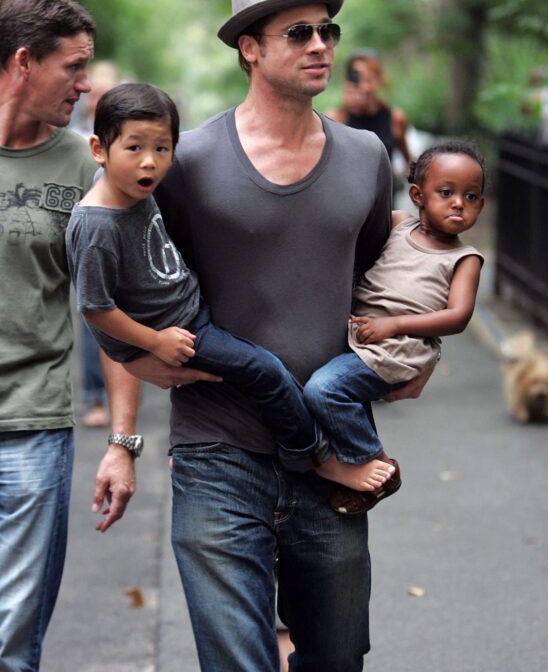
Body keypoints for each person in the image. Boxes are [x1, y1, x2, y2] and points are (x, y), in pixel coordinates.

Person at [122, 0, 431, 671]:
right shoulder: (188, 161)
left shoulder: (363, 156)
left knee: (335, 657)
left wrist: (410, 359)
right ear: (250, 49)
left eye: (328, 30)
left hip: (332, 456)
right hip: (217, 452)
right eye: (299, 32)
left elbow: (379, 285)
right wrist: (140, 366)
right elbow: (137, 282)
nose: (322, 45)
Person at [66, 81, 364, 477]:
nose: (150, 163)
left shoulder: (134, 190)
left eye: (162, 148)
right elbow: (95, 309)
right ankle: (314, 455)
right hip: (180, 330)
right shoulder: (96, 226)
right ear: (99, 150)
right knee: (266, 372)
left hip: (190, 308)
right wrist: (155, 343)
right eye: (134, 147)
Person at [0, 0, 139, 672]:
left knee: (11, 643)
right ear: (24, 62)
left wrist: (121, 441)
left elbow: (108, 310)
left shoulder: (83, 169)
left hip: (33, 425)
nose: (86, 84)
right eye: (74, 67)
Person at [306, 140, 485, 514]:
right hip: (364, 337)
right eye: (447, 192)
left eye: (471, 197)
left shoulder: (464, 258)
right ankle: (349, 466)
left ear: (480, 206)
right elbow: (353, 224)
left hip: (398, 348)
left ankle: (375, 463)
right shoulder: (400, 225)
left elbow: (459, 316)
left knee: (325, 390)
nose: (458, 204)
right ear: (418, 195)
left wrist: (396, 325)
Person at [73, 61, 122, 428]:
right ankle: (95, 396)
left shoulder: (127, 134)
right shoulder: (73, 137)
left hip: (120, 239)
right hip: (87, 241)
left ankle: (121, 389)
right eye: (96, 93)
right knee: (93, 314)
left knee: (116, 315)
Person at [327, 49, 412, 194]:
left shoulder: (395, 119)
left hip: (384, 197)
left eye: (369, 78)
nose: (364, 86)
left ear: (379, 80)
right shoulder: (335, 118)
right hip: (347, 194)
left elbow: (408, 162)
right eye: (357, 77)